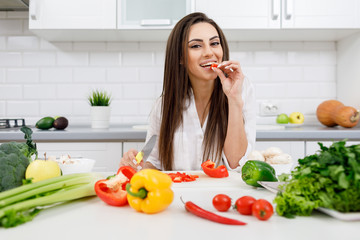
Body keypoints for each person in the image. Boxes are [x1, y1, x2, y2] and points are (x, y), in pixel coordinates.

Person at [120, 12, 256, 171]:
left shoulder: (241, 90)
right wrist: (134, 165)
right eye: (196, 46)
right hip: (178, 193)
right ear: (180, 58)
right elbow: (153, 163)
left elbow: (236, 163)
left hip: (225, 194)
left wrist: (233, 100)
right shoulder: (163, 105)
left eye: (214, 43)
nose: (209, 52)